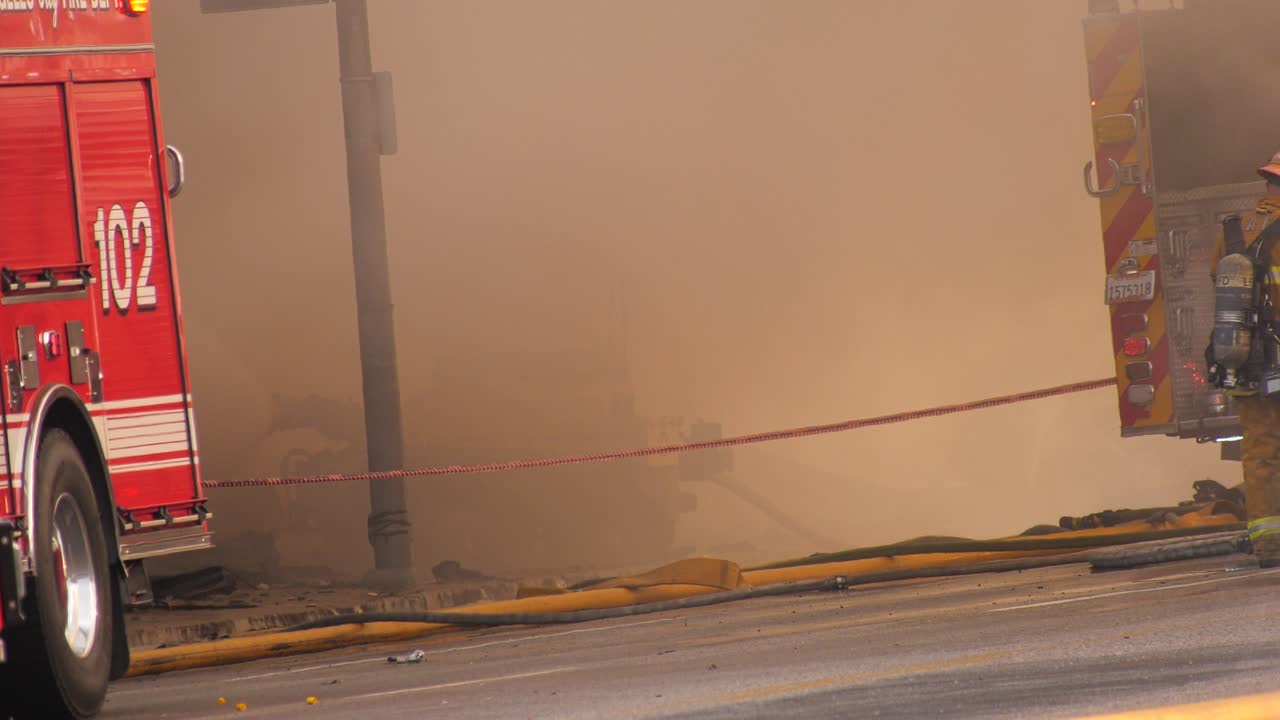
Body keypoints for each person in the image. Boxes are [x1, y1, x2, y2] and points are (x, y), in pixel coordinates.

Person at [1210, 151, 1280, 567]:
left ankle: (1269, 541)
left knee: (1260, 448)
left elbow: (1217, 284)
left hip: (1246, 357)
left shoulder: (1235, 229)